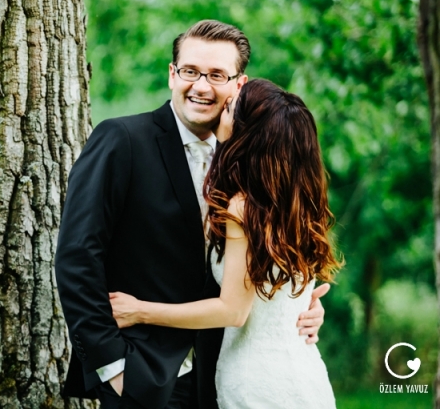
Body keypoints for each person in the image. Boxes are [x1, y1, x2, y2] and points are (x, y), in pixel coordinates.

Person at [54, 20, 328, 409]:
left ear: (238, 84)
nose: (201, 86)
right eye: (190, 71)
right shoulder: (122, 140)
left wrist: (299, 310)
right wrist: (111, 366)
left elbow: (261, 264)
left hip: (224, 376)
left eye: (217, 75)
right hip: (143, 375)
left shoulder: (247, 165)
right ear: (172, 74)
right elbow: (77, 257)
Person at [109, 78, 342, 408]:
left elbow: (233, 310)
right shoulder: (296, 206)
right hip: (306, 375)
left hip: (255, 380)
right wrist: (308, 307)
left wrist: (139, 312)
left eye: (231, 108)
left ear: (248, 133)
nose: (220, 108)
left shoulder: (243, 208)